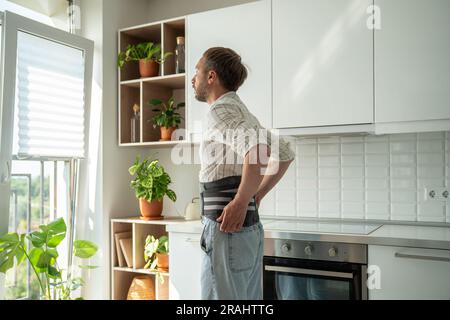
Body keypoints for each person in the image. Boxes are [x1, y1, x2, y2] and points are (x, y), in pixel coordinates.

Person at [191, 47, 295, 300]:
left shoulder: (220, 112)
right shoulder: (242, 112)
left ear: (211, 76)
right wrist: (255, 196)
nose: (193, 79)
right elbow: (285, 152)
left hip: (225, 230)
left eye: (197, 71)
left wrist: (240, 201)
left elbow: (259, 150)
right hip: (247, 232)